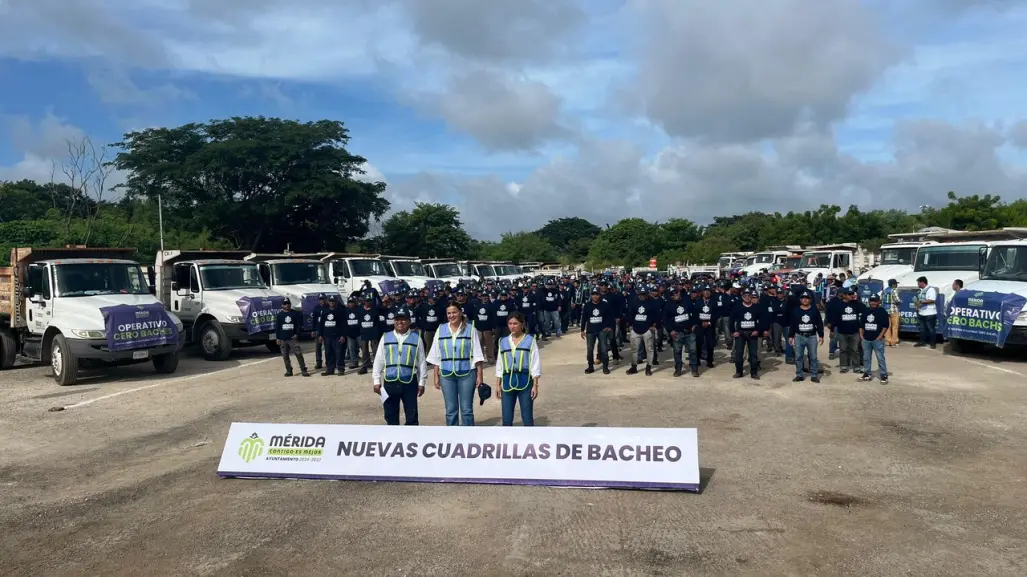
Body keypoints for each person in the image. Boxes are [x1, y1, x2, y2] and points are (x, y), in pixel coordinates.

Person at [427, 303, 485, 426]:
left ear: (460, 313)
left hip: (467, 373)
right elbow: (437, 354)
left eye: (454, 312)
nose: (451, 315)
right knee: (450, 410)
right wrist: (436, 375)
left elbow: (477, 354)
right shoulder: (441, 329)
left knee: (466, 410)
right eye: (449, 313)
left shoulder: (470, 329)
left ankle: (468, 437)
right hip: (447, 375)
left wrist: (480, 375)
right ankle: (453, 437)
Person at [372, 308, 427, 426]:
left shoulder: (416, 338)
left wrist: (422, 382)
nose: (400, 322)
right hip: (390, 381)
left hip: (409, 381)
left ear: (409, 321)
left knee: (412, 416)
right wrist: (376, 380)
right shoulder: (385, 337)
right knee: (390, 416)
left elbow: (422, 361)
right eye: (397, 319)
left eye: (403, 319)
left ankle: (410, 441)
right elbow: (379, 360)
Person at [496, 312, 542, 426]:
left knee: (527, 418)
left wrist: (535, 385)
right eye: (510, 323)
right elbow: (500, 363)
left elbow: (535, 363)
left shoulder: (530, 340)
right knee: (506, 419)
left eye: (515, 323)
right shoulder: (503, 341)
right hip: (507, 382)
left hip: (525, 382)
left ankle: (529, 442)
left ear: (522, 324)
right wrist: (497, 384)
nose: (512, 326)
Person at [789, 291, 824, 383]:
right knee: (798, 356)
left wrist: (821, 335)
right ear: (800, 299)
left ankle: (814, 375)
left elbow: (819, 323)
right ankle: (799, 374)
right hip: (799, 336)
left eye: (807, 298)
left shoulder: (814, 310)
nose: (805, 299)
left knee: (813, 356)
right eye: (803, 298)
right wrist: (791, 336)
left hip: (811, 336)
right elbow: (792, 324)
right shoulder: (796, 310)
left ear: (810, 300)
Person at [664, 287, 699, 377]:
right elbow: (665, 320)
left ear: (679, 292)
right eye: (672, 294)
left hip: (689, 331)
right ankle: (678, 370)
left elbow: (695, 313)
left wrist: (695, 324)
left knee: (693, 351)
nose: (675, 295)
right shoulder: (668, 304)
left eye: (676, 292)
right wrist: (670, 331)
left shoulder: (687, 301)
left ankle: (694, 369)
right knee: (677, 352)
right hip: (677, 332)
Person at [730, 289, 764, 380]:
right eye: (745, 296)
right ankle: (739, 372)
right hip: (740, 334)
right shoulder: (737, 307)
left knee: (753, 354)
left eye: (749, 296)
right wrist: (733, 332)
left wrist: (758, 330)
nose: (747, 298)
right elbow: (731, 320)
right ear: (742, 297)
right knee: (739, 354)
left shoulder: (757, 307)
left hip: (753, 334)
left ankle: (754, 373)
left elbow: (762, 321)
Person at [580, 287, 615, 374]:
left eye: (597, 294)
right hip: (590, 331)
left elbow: (610, 317)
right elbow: (584, 318)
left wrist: (609, 326)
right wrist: (582, 330)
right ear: (591, 295)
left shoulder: (605, 305)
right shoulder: (587, 305)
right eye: (593, 294)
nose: (595, 296)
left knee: (604, 349)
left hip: (602, 330)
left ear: (599, 295)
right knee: (590, 350)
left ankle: (605, 367)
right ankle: (590, 366)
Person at [627, 286, 659, 376]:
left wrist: (655, 325)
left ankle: (648, 368)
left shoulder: (653, 302)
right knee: (634, 350)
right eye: (641, 294)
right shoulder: (634, 302)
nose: (642, 296)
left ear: (647, 294)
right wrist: (629, 325)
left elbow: (658, 315)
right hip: (635, 329)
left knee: (650, 350)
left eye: (644, 294)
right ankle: (634, 367)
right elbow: (630, 313)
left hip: (647, 329)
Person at [275, 298, 310, 377]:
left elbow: (299, 325)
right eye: (285, 303)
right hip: (283, 339)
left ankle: (303, 370)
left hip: (293, 338)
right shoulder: (280, 315)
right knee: (285, 356)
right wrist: (277, 338)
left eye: (288, 303)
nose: (287, 305)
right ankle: (289, 370)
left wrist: (297, 334)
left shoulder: (295, 314)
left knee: (298, 354)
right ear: (282, 305)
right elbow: (278, 327)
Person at [859, 294, 889, 384]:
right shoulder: (865, 310)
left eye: (875, 301)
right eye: (871, 301)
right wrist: (861, 335)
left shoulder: (882, 311)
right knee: (866, 357)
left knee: (880, 358)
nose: (873, 303)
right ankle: (867, 373)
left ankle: (884, 375)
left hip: (877, 339)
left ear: (879, 301)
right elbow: (861, 324)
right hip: (866, 338)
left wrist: (880, 336)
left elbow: (885, 326)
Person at [835, 289, 864, 374]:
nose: (851, 295)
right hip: (842, 332)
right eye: (849, 294)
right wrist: (833, 329)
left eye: (852, 294)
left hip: (854, 331)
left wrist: (856, 300)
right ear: (844, 295)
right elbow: (835, 317)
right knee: (843, 349)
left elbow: (864, 310)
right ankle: (843, 366)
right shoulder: (839, 304)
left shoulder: (856, 304)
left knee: (855, 350)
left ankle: (856, 367)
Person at [317, 295, 346, 376]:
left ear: (336, 302)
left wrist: (343, 335)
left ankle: (340, 369)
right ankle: (330, 369)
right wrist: (320, 335)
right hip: (327, 336)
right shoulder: (325, 311)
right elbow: (321, 324)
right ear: (328, 302)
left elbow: (344, 324)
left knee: (339, 352)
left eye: (333, 301)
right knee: (328, 353)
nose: (332, 302)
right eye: (330, 301)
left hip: (337, 335)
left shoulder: (340, 311)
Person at [914, 276, 938, 349]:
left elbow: (932, 300)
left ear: (922, 282)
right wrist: (917, 306)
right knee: (922, 328)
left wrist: (921, 301)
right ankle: (922, 342)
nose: (917, 284)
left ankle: (933, 343)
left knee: (931, 329)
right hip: (921, 312)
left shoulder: (931, 290)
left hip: (929, 313)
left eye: (918, 283)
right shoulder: (921, 290)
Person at [882, 279, 900, 347]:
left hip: (885, 310)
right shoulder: (894, 290)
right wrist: (900, 302)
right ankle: (893, 342)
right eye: (896, 284)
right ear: (893, 284)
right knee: (895, 327)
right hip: (893, 310)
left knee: (887, 326)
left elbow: (881, 300)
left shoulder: (884, 290)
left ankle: (887, 341)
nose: (896, 285)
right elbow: (897, 300)